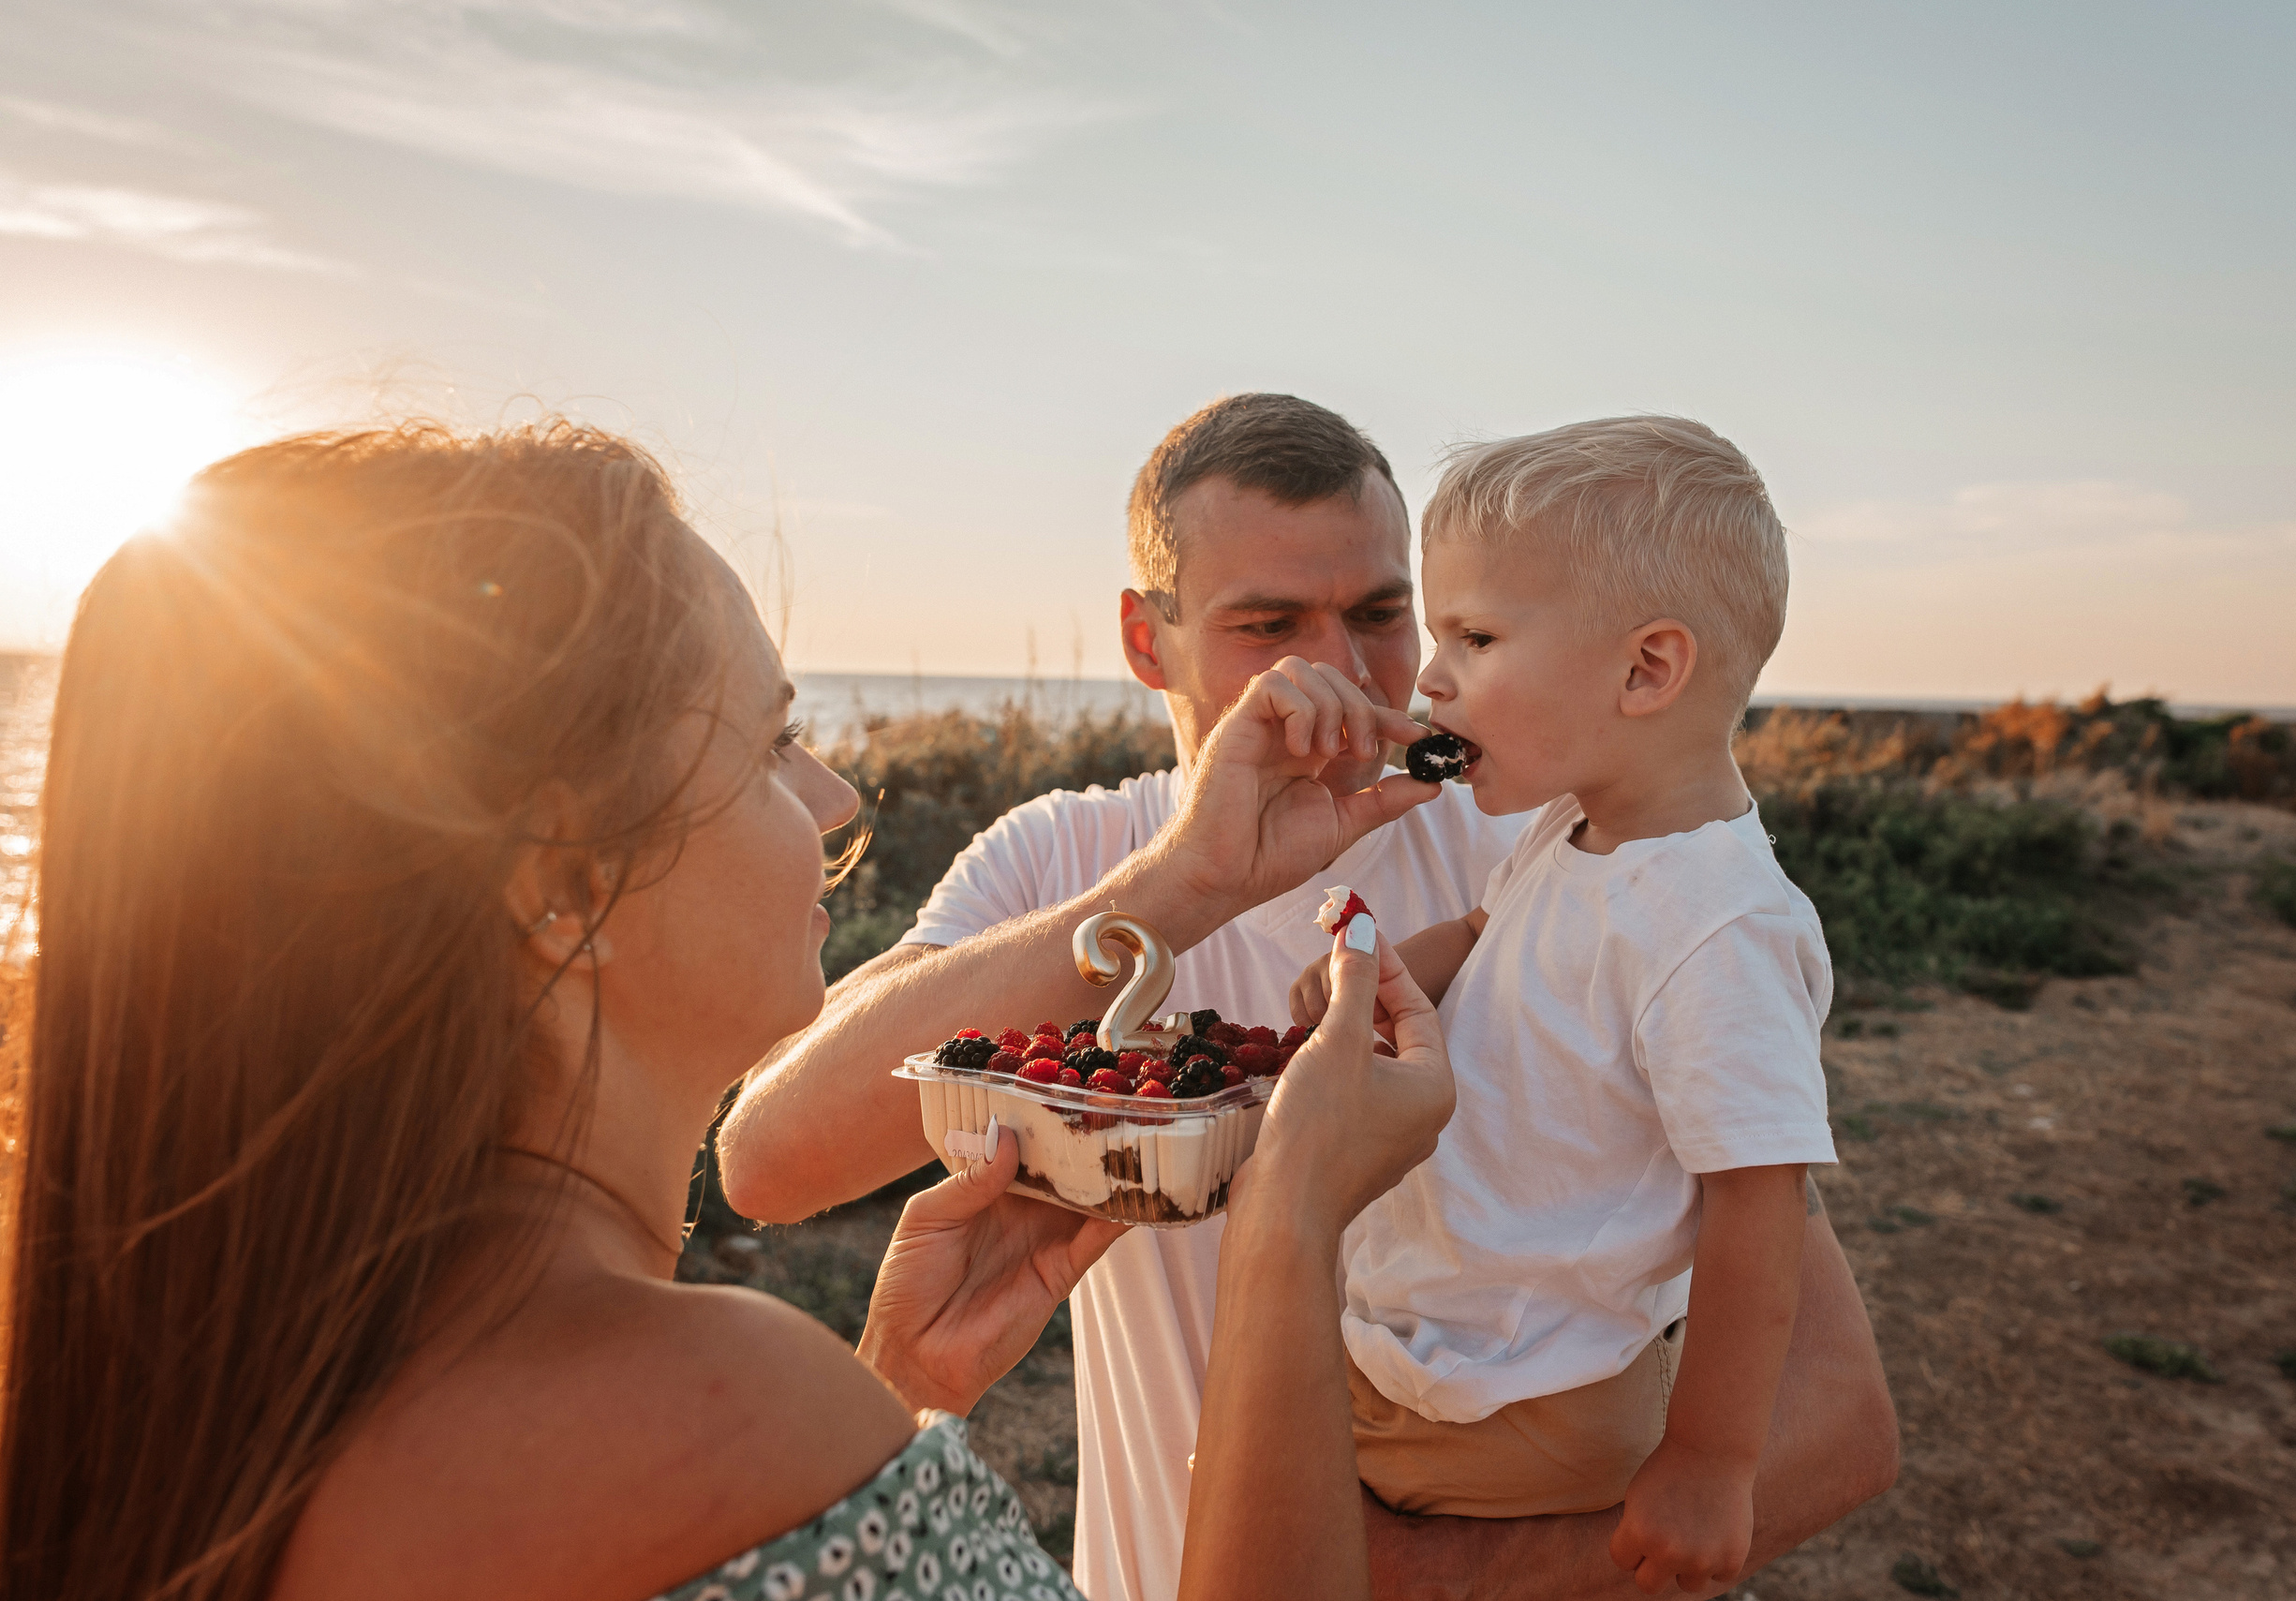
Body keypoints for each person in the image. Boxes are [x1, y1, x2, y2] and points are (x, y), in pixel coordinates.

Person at [0, 421, 1454, 1601]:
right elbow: (775, 1167)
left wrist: (891, 1422)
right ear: (565, 879)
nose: (834, 805)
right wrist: (1289, 1209)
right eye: (772, 744)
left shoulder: (217, 1396)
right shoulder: (713, 1404)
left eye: (1382, 610)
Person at [720, 395, 1901, 1601]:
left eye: (1386, 614)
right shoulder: (1063, 862)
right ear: (1145, 643)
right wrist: (1189, 879)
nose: (1346, 669)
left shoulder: (1549, 834)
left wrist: (1413, 1576)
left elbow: (1837, 1420)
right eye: (1267, 622)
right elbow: (767, 1158)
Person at [1290, 416, 1833, 1594]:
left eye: (1475, 635)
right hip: (1416, 1342)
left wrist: (1707, 1457)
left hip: (1528, 1392)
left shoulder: (1714, 924)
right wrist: (1379, 971)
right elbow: (1491, 940)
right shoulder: (1573, 827)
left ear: (1646, 669)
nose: (1429, 676)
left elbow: (1757, 1208)